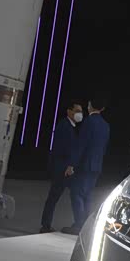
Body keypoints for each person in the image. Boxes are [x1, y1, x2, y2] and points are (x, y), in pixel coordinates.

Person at [63, 96, 110, 234]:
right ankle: (85, 224)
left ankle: (79, 225)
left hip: (84, 165)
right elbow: (104, 148)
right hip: (96, 165)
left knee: (76, 193)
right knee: (87, 195)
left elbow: (81, 145)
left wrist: (71, 164)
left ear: (89, 106)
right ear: (103, 108)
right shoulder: (105, 125)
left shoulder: (88, 122)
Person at [40, 100, 82, 233]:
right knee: (54, 197)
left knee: (57, 196)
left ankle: (47, 224)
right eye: (77, 111)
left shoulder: (71, 127)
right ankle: (46, 225)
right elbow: (63, 149)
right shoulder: (64, 126)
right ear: (69, 111)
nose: (80, 114)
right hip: (62, 169)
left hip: (64, 168)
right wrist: (69, 165)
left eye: (81, 111)